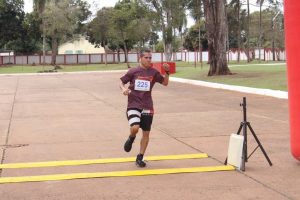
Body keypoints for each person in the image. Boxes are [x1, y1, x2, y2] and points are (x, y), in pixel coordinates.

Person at [119, 49, 170, 167]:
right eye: (146, 57)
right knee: (135, 128)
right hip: (133, 105)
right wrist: (123, 89)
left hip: (147, 106)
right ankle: (131, 137)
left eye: (150, 58)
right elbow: (121, 82)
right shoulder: (133, 71)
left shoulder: (153, 72)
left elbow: (165, 83)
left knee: (146, 133)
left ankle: (140, 157)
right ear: (140, 58)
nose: (148, 60)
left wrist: (167, 72)